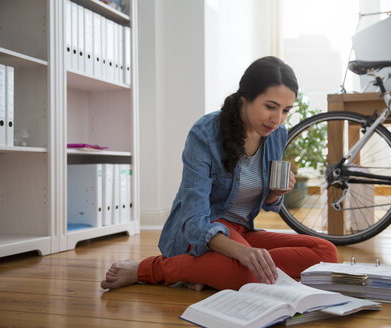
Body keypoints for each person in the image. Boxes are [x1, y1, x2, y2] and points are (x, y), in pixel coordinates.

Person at [101, 56, 338, 291]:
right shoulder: (205, 134)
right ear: (245, 97)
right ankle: (149, 269)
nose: (277, 119)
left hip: (243, 231)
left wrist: (276, 193)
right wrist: (243, 253)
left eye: (286, 110)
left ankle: (209, 270)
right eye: (270, 107)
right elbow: (194, 222)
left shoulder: (276, 133)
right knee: (249, 274)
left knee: (326, 252)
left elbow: (269, 205)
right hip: (206, 231)